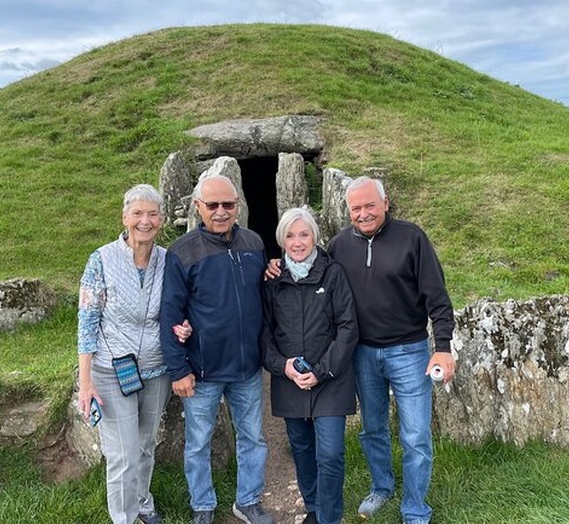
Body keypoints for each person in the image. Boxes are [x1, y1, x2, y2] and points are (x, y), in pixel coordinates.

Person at [330, 176, 456, 524]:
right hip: (362, 353)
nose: (364, 213)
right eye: (356, 208)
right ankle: (382, 487)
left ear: (385, 203)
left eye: (370, 205)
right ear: (349, 210)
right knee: (372, 429)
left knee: (415, 435)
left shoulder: (412, 238)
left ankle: (415, 509)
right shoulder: (339, 245)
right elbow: (316, 282)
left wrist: (442, 347)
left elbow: (437, 297)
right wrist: (276, 268)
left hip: (409, 351)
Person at [160, 174, 276, 524]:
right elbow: (169, 313)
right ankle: (203, 506)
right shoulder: (183, 251)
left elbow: (263, 294)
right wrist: (178, 370)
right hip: (203, 369)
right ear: (198, 207)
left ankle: (248, 500)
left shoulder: (254, 242)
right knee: (198, 443)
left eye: (228, 204)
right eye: (213, 205)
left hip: (247, 367)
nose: (221, 211)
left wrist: (273, 268)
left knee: (253, 437)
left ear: (237, 205)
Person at [77, 183, 192, 524]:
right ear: (124, 217)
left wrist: (183, 327)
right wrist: (86, 383)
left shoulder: (169, 260)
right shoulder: (101, 259)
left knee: (144, 445)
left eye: (152, 214)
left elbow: (176, 309)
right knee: (123, 454)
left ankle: (142, 501)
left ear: (162, 219)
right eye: (138, 213)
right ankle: (124, 518)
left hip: (156, 369)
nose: (145, 221)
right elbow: (87, 322)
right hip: (112, 370)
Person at [260, 208, 359, 524]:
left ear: (315, 236)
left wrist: (322, 371)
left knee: (330, 453)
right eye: (290, 235)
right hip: (289, 379)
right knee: (302, 449)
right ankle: (314, 509)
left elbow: (347, 327)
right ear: (281, 240)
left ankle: (330, 517)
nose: (298, 242)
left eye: (304, 234)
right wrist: (282, 366)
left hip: (331, 378)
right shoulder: (273, 280)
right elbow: (264, 332)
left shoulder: (333, 274)